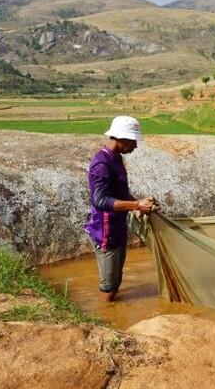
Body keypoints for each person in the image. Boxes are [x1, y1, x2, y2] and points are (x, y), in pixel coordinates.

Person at [85, 115, 156, 302]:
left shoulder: (115, 159)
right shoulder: (101, 164)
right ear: (121, 138)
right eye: (133, 141)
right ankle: (106, 319)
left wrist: (137, 203)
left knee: (115, 281)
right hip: (105, 231)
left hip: (117, 228)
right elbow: (100, 200)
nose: (135, 146)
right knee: (109, 288)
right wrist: (135, 205)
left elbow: (120, 193)